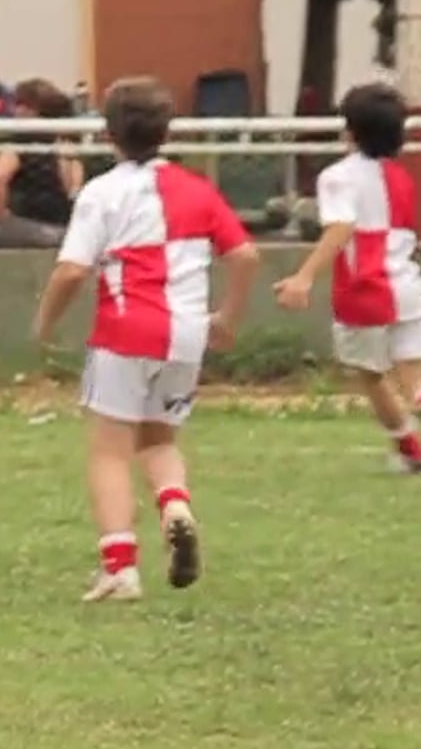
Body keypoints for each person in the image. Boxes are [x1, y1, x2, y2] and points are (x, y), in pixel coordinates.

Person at [32, 77, 261, 603]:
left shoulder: (102, 193)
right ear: (166, 131)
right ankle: (174, 503)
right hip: (186, 334)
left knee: (109, 451)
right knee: (159, 439)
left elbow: (71, 271)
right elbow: (245, 255)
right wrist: (227, 317)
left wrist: (43, 322)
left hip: (126, 329)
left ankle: (120, 569)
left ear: (108, 133)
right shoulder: (197, 188)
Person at [272, 82, 421, 476]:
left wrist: (303, 277)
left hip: (365, 290)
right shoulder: (401, 178)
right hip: (408, 286)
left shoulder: (337, 177)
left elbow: (341, 229)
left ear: (351, 130)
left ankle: (409, 450)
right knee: (415, 378)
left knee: (371, 375)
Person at [0, 79, 84, 250]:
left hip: (33, 228)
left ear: (35, 110)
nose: (16, 111)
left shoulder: (21, 142)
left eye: (22, 105)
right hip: (64, 232)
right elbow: (73, 190)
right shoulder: (65, 143)